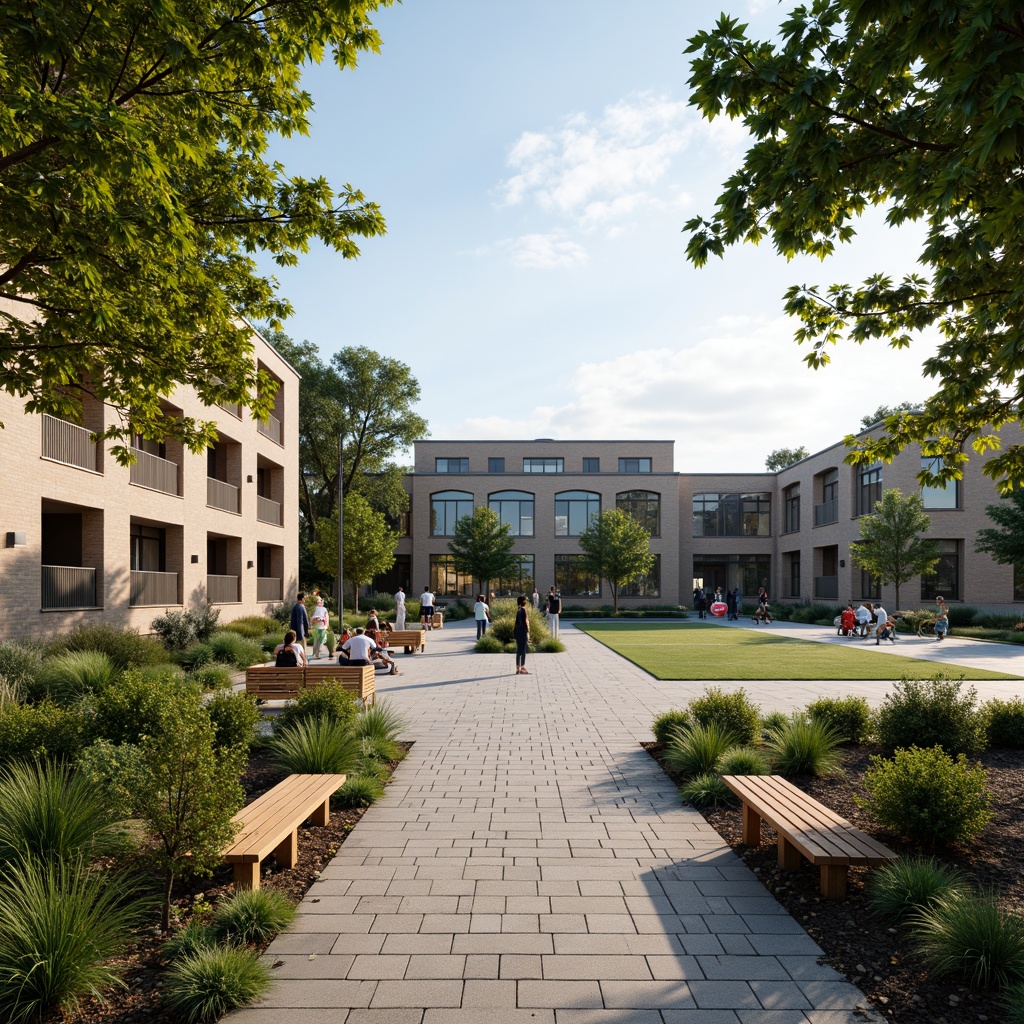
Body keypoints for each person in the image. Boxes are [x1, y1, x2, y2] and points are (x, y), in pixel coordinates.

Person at [514, 594, 531, 674]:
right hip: (523, 631)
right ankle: (523, 667)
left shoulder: (519, 610)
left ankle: (518, 667)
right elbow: (524, 622)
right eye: (526, 600)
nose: (527, 601)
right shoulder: (523, 610)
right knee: (523, 649)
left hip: (517, 631)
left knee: (519, 650)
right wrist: (527, 632)